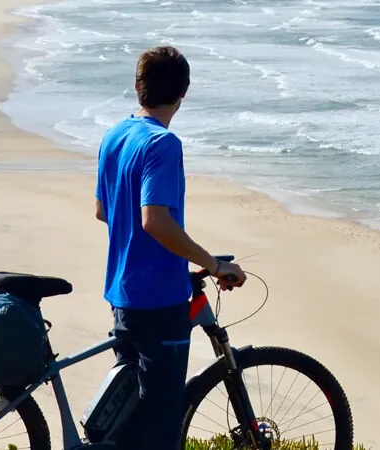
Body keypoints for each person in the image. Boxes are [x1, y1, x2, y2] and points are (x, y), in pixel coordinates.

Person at [93, 45, 246, 449]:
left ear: (138, 86)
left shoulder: (115, 135)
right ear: (184, 93)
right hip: (160, 302)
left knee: (126, 420)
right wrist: (212, 263)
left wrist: (158, 251)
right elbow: (154, 220)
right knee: (161, 427)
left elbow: (102, 210)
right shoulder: (163, 144)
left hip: (122, 293)